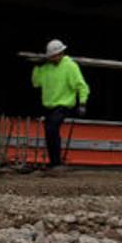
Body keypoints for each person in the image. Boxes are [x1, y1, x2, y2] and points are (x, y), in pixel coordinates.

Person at [30, 39, 89, 171]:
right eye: (51, 56)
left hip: (64, 105)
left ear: (61, 53)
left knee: (52, 128)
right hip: (49, 106)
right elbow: (36, 83)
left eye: (55, 55)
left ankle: (56, 162)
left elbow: (81, 86)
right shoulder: (45, 67)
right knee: (49, 131)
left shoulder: (70, 66)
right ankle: (54, 162)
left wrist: (82, 103)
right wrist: (37, 68)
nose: (53, 58)